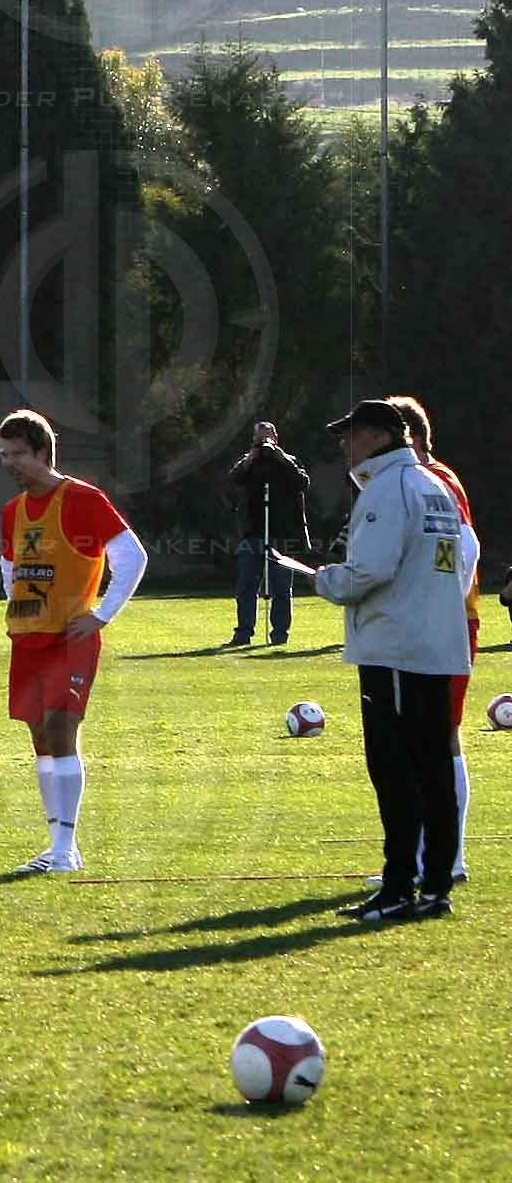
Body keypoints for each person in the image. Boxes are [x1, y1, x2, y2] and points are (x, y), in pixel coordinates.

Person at [281, 400, 479, 924]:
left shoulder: (386, 490)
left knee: (395, 771)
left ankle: (397, 887)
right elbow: (459, 560)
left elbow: (367, 571)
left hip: (395, 648)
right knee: (435, 768)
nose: (344, 445)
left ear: (376, 437)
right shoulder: (434, 486)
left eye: (351, 435)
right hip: (437, 644)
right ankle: (435, 884)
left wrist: (320, 578)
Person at [0, 409, 148, 875]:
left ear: (43, 451)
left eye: (19, 454)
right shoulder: (12, 512)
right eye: (3, 455)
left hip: (70, 639)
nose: (10, 464)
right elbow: (8, 567)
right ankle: (55, 845)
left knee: (62, 731)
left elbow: (131, 556)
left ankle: (65, 848)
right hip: (27, 640)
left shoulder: (82, 498)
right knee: (40, 738)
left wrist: (100, 615)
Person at [387, 394, 478, 890]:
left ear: (409, 439)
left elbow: (465, 545)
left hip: (447, 625)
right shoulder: (421, 481)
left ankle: (447, 858)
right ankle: (432, 856)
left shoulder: (434, 481)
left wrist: (441, 599)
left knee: (439, 738)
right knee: (430, 737)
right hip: (435, 623)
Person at [224, 420, 311, 648]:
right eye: (259, 438)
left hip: (281, 533)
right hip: (251, 532)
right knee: (246, 586)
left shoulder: (287, 461)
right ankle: (243, 632)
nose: (264, 443)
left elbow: (302, 482)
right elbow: (232, 480)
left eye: (268, 437)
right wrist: (250, 458)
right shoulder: (249, 462)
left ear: (276, 438)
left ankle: (280, 634)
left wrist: (281, 458)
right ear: (253, 439)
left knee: (281, 586)